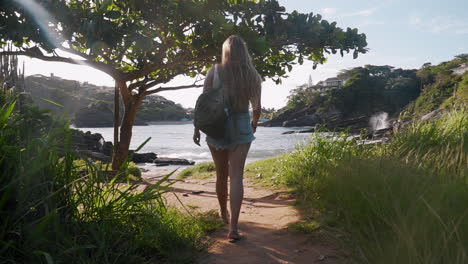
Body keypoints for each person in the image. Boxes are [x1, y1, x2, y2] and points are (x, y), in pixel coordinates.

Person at [193, 35, 262, 242]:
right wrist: (253, 126)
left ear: (226, 52)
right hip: (241, 125)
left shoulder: (214, 71)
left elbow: (203, 104)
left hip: (216, 125)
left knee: (221, 175)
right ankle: (233, 229)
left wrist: (197, 128)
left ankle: (223, 212)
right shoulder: (253, 75)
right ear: (245, 51)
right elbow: (257, 108)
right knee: (237, 176)